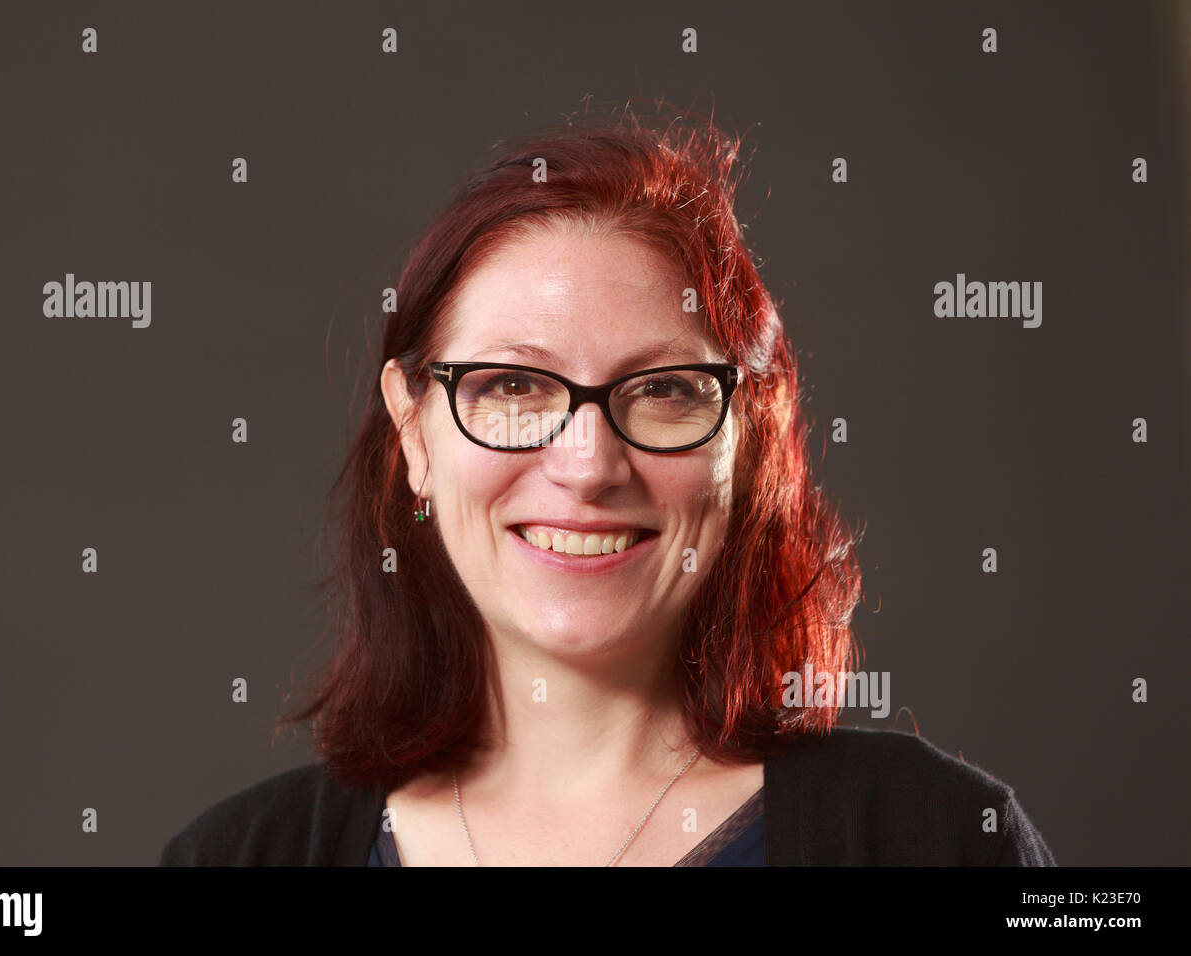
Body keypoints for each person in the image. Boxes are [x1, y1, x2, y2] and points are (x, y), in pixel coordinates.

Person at [159, 101, 1055, 867]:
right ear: (413, 434)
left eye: (663, 390)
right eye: (512, 386)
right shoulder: (238, 856)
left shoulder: (937, 841)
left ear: (750, 437)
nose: (588, 465)